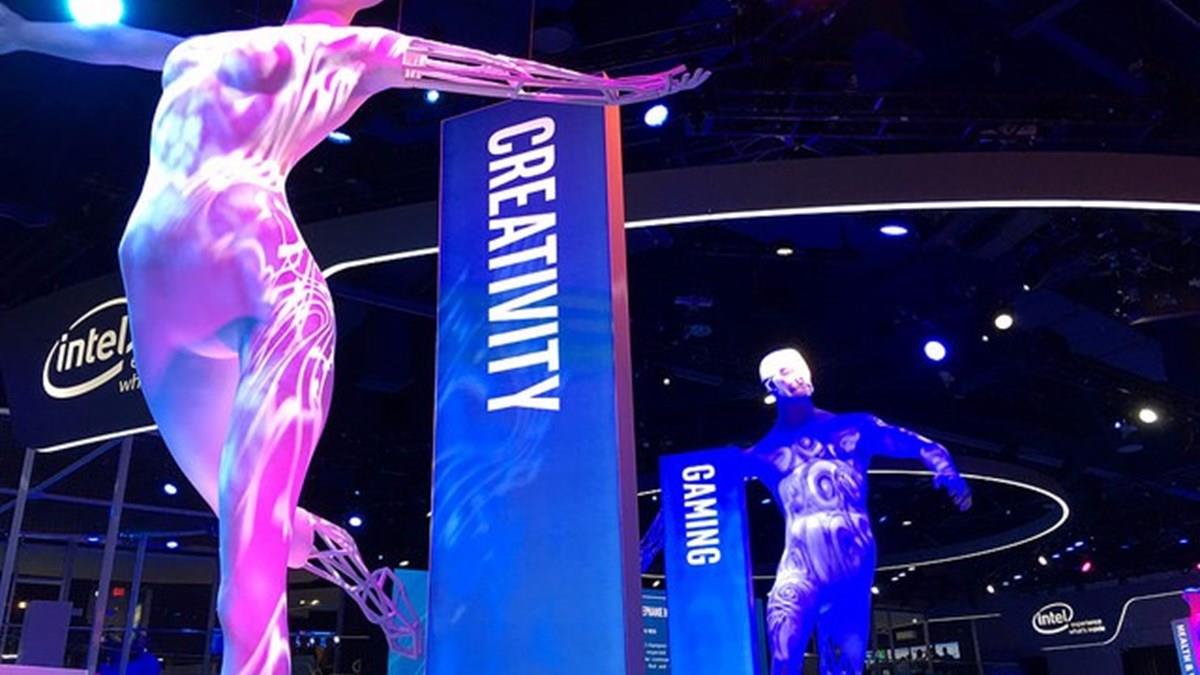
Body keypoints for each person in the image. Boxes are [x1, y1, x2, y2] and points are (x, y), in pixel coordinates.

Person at [0, 3, 707, 673]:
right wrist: (25, 32)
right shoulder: (201, 48)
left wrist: (615, 90)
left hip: (255, 271)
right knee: (249, 516)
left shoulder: (362, 50)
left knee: (249, 544)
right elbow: (113, 44)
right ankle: (364, 579)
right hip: (168, 279)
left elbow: (498, 72)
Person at [641, 347, 971, 675]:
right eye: (786, 371)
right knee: (784, 658)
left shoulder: (853, 428)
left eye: (801, 368)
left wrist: (945, 468)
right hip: (800, 568)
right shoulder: (764, 453)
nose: (799, 375)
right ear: (771, 386)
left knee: (844, 668)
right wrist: (646, 549)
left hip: (851, 569)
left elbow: (922, 445)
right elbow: (687, 490)